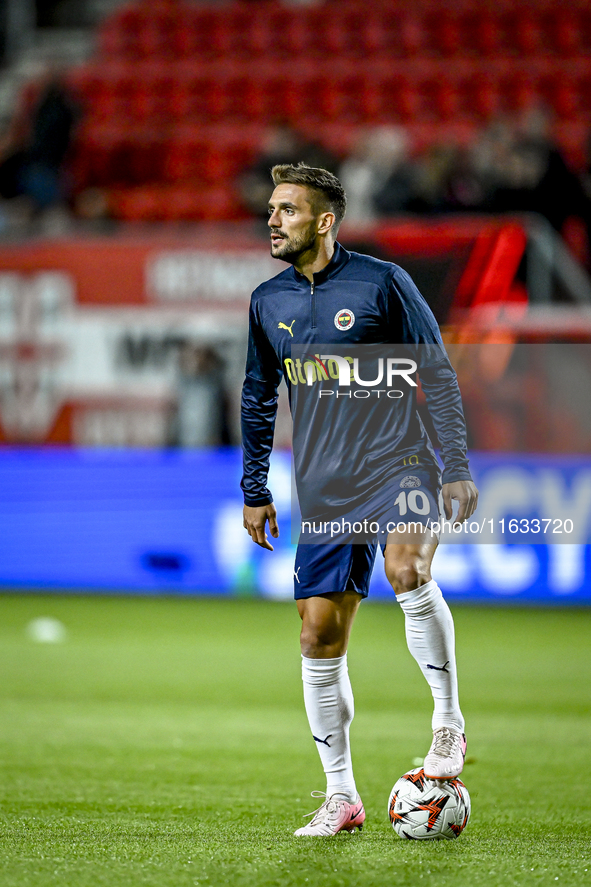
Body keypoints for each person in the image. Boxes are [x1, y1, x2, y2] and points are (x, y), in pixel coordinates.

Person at [240, 163, 478, 837]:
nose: (272, 219)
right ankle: (340, 796)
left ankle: (447, 725)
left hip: (398, 463)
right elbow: (257, 397)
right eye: (271, 209)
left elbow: (435, 369)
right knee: (318, 632)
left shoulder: (382, 283)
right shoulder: (266, 301)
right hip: (323, 484)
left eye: (286, 209)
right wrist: (254, 487)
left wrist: (454, 465)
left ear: (323, 220)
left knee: (408, 568)